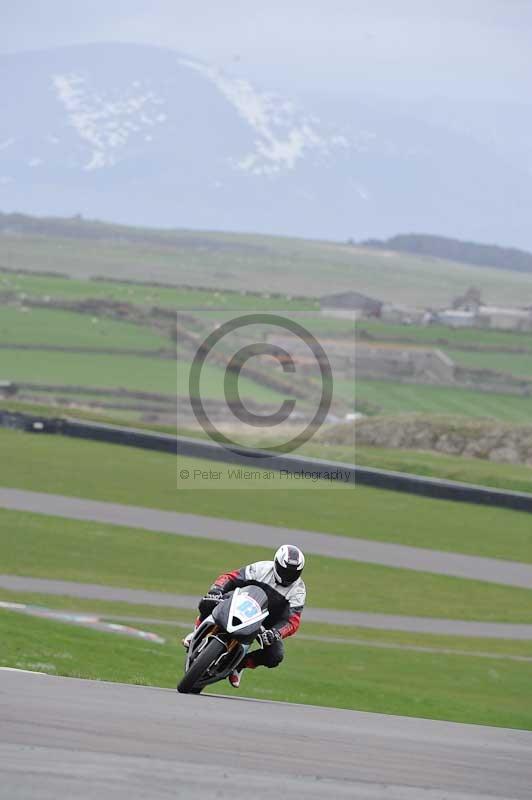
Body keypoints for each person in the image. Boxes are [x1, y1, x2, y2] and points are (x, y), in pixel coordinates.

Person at [182, 544, 306, 688]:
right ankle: (196, 632)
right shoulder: (261, 568)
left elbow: (292, 621)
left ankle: (240, 665)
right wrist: (217, 590)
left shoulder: (299, 590)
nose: (288, 576)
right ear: (276, 563)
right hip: (240, 602)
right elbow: (230, 577)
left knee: (275, 656)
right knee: (208, 602)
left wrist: (275, 633)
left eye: (293, 573)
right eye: (285, 571)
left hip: (264, 623)